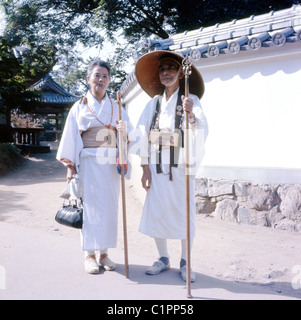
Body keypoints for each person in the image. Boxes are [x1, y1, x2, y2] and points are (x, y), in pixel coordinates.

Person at [134, 50, 208, 282]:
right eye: (163, 69)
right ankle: (163, 258)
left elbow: (201, 132)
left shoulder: (191, 100)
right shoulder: (154, 103)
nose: (166, 72)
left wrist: (191, 115)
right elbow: (142, 134)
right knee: (158, 212)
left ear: (179, 74)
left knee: (183, 212)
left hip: (181, 167)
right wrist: (144, 167)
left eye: (171, 69)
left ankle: (185, 261)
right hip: (156, 167)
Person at [56, 59, 131, 274]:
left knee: (109, 207)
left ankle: (104, 253)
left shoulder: (116, 107)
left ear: (109, 80)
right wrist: (70, 167)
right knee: (89, 209)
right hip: (88, 161)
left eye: (105, 76)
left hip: (110, 164)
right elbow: (70, 136)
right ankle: (89, 254)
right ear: (88, 79)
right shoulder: (79, 107)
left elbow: (128, 135)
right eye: (96, 75)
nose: (101, 79)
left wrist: (122, 131)